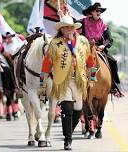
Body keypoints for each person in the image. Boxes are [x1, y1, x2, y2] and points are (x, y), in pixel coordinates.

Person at [39, 14, 92, 150]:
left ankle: (68, 132)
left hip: (79, 81)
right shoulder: (55, 44)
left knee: (78, 110)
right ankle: (67, 140)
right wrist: (42, 84)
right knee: (67, 109)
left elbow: (91, 62)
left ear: (74, 28)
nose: (69, 30)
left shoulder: (83, 41)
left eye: (70, 27)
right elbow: (46, 66)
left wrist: (91, 78)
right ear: (61, 29)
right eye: (65, 28)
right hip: (63, 81)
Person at [80, 2, 124, 97]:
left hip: (100, 48)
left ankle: (114, 86)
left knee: (113, 61)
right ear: (91, 12)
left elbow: (109, 39)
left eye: (100, 11)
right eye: (97, 10)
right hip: (85, 47)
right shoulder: (83, 21)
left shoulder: (104, 25)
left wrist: (103, 46)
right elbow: (72, 24)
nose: (99, 12)